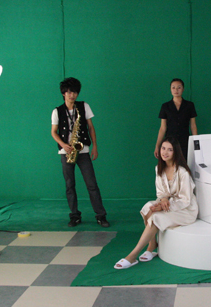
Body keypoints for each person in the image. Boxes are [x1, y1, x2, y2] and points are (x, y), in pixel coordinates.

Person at [115, 137, 198, 269]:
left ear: (176, 152)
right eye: (163, 148)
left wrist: (165, 206)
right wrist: (163, 201)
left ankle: (132, 255)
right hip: (169, 204)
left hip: (185, 210)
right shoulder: (159, 168)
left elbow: (185, 200)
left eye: (170, 150)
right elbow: (161, 193)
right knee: (148, 207)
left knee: (156, 217)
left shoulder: (182, 172)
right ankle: (152, 245)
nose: (165, 152)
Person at [51, 77, 109, 228]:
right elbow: (53, 132)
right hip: (66, 152)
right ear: (63, 93)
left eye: (75, 92)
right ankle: (75, 215)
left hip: (83, 150)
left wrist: (95, 146)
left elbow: (91, 127)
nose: (72, 95)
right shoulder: (57, 111)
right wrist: (63, 145)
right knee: (69, 185)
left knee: (92, 184)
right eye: (69, 92)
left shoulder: (84, 106)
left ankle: (101, 215)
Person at [154, 78, 198, 161]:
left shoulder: (189, 105)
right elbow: (163, 128)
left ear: (183, 89)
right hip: (169, 142)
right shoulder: (165, 106)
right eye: (173, 87)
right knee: (170, 164)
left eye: (179, 87)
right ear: (170, 89)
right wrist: (157, 145)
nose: (176, 90)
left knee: (185, 163)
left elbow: (193, 126)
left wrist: (196, 143)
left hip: (185, 141)